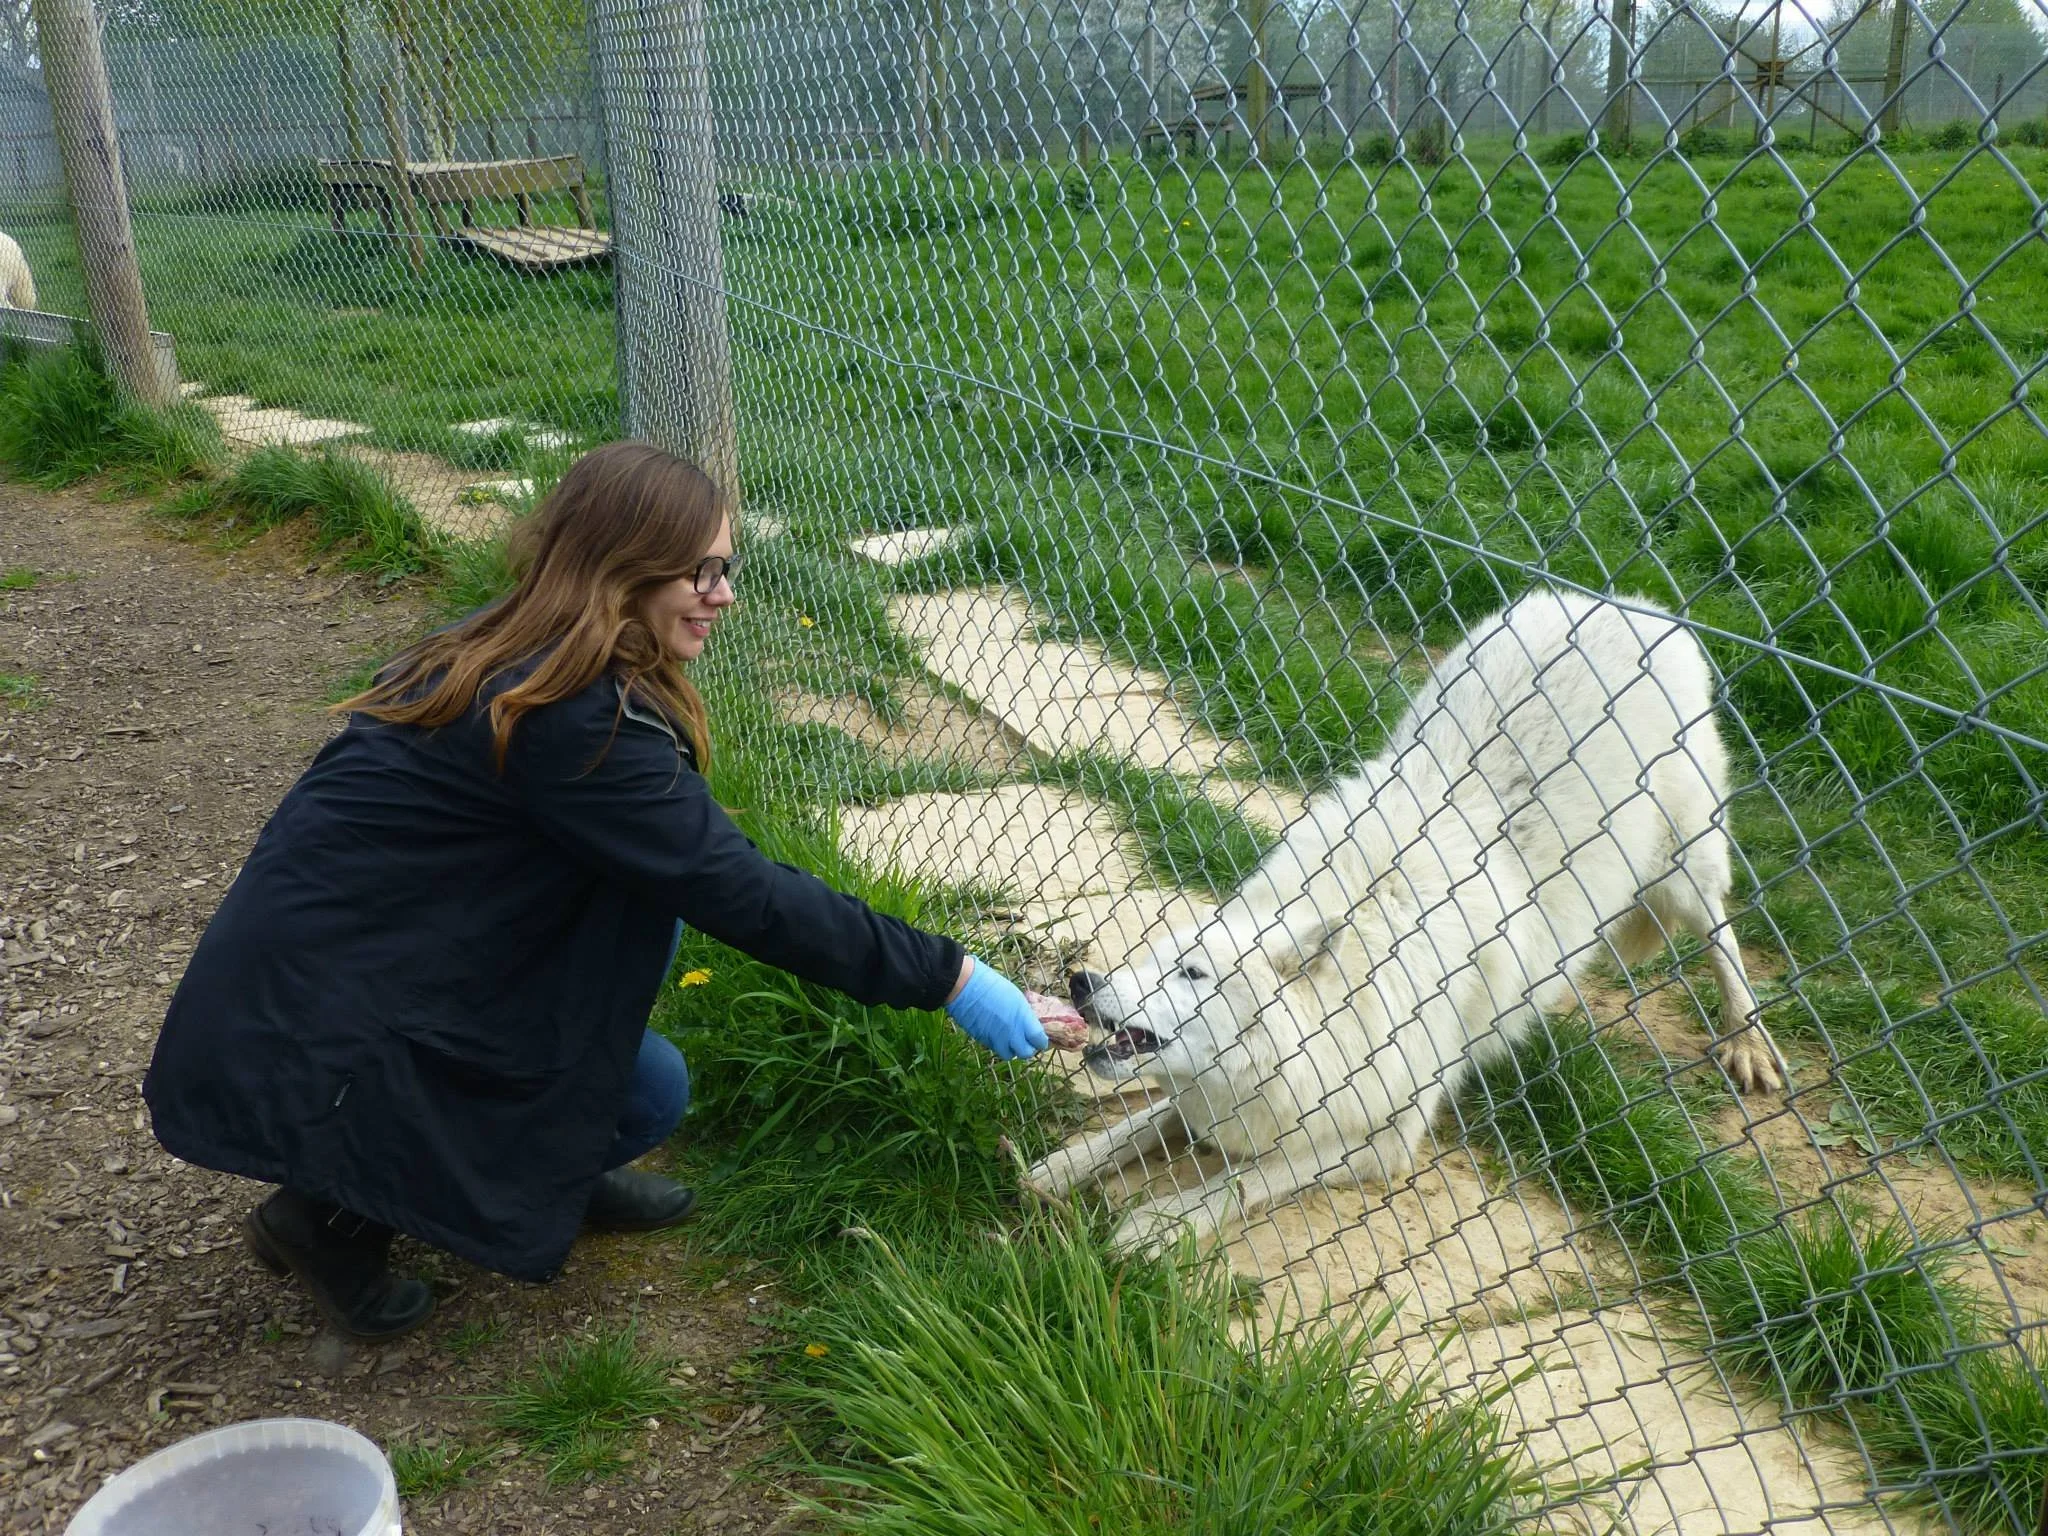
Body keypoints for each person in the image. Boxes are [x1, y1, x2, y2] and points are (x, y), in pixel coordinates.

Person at [143, 441, 1051, 1342]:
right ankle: (324, 1220)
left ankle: (543, 1168)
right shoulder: (573, 719)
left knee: (622, 1059)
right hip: (322, 1028)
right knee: (648, 1095)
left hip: (327, 981)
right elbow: (742, 893)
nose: (723, 595)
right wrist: (952, 978)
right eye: (700, 573)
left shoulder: (516, 647)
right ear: (627, 569)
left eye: (725, 569)